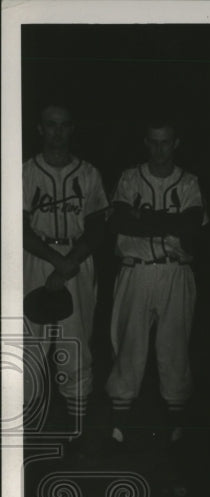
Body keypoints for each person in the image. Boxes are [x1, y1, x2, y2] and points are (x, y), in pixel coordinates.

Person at [105, 117, 204, 451]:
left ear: (175, 143)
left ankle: (177, 425)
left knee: (175, 346)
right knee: (128, 344)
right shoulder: (130, 177)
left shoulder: (189, 181)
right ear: (146, 143)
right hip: (136, 269)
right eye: (153, 141)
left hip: (175, 271)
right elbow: (118, 219)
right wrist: (168, 224)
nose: (159, 148)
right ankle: (118, 423)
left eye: (166, 142)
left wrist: (142, 218)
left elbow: (192, 227)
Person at [22, 102, 108, 443]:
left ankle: (77, 429)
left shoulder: (88, 173)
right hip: (37, 257)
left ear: (72, 129)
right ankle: (27, 427)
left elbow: (98, 226)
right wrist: (57, 263)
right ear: (40, 129)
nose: (57, 132)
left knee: (77, 339)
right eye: (50, 125)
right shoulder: (25, 171)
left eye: (64, 125)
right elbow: (18, 225)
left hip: (77, 257)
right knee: (30, 341)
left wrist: (70, 260)